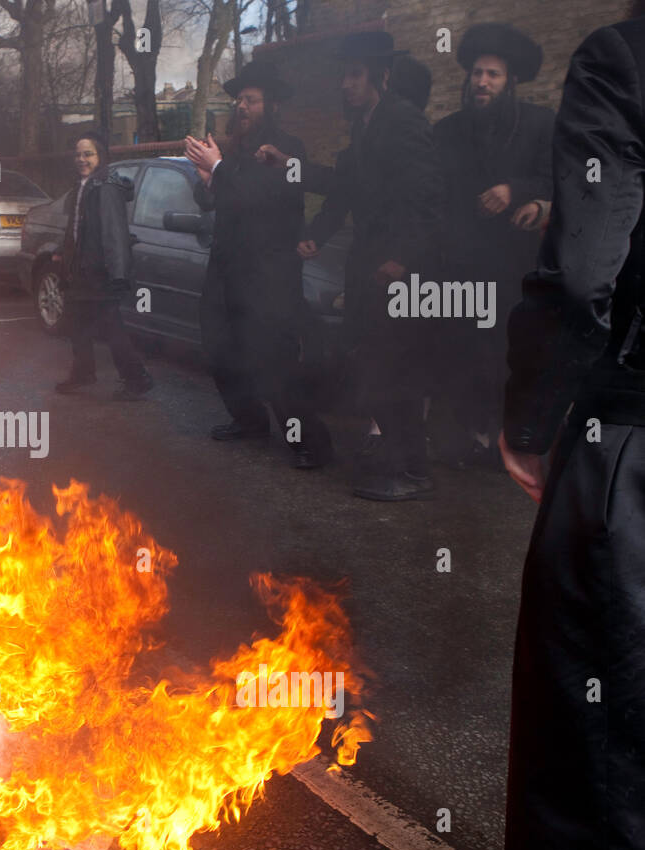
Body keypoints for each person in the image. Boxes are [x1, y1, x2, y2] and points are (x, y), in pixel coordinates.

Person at [499, 14, 645, 850]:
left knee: (592, 775)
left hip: (629, 442)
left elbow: (586, 268)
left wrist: (530, 417)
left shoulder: (623, 56)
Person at [298, 31, 442, 501]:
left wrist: (403, 258)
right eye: (344, 74)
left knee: (394, 372)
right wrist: (313, 229)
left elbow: (427, 199)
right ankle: (408, 466)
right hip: (368, 267)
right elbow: (344, 190)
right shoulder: (365, 126)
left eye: (355, 74)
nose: (346, 84)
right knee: (374, 370)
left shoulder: (404, 122)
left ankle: (408, 470)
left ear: (381, 75)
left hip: (399, 269)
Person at [184, 60, 330, 467]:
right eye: (239, 100)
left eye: (251, 100)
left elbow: (253, 195)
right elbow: (213, 200)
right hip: (226, 270)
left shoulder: (286, 151)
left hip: (268, 275)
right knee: (220, 350)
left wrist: (218, 169)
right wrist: (207, 177)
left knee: (272, 362)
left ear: (272, 107)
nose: (242, 107)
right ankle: (248, 420)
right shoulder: (236, 151)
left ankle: (311, 444)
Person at [435, 23, 553, 470]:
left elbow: (559, 178)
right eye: (477, 73)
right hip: (461, 264)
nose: (482, 82)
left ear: (511, 82)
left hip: (515, 266)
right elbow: (433, 193)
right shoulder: (448, 130)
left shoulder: (541, 124)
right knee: (465, 356)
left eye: (493, 75)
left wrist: (515, 189)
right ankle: (476, 439)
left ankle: (507, 445)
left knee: (509, 359)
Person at [53, 132, 154, 401]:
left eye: (88, 154)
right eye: (78, 154)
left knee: (111, 328)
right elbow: (76, 228)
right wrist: (63, 254)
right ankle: (84, 373)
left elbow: (113, 231)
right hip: (81, 269)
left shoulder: (105, 186)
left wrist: (116, 273)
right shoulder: (83, 184)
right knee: (77, 324)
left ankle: (137, 378)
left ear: (101, 157)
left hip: (99, 271)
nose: (81, 159)